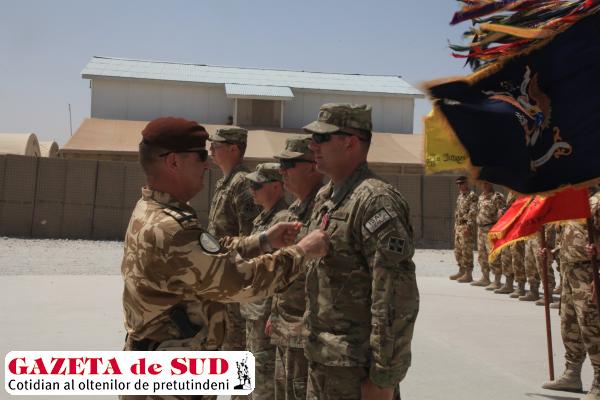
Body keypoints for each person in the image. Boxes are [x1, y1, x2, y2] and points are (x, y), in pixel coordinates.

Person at [120, 117, 329, 400]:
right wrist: (302, 251)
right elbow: (240, 280)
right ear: (173, 162)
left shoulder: (150, 210)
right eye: (200, 156)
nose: (207, 164)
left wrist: (262, 241)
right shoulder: (172, 229)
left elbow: (210, 251)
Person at [303, 103, 419, 400]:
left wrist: (384, 377)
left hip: (355, 369)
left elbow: (394, 295)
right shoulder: (327, 197)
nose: (312, 145)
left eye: (322, 138)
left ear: (351, 142)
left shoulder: (375, 201)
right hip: (323, 359)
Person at [269, 135, 323, 400]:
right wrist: (274, 312)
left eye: (288, 165)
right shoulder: (294, 211)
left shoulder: (323, 211)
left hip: (306, 335)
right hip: (285, 330)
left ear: (312, 166)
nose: (282, 171)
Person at [541, 186, 600, 400]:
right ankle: (572, 374)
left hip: (590, 273)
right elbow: (570, 238)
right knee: (569, 326)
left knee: (592, 328)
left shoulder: (597, 202)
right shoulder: (571, 204)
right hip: (569, 273)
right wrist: (552, 253)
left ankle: (599, 380)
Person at [207, 127, 259, 361]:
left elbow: (250, 236)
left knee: (235, 347)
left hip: (235, 282)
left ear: (234, 149)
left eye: (216, 145)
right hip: (220, 279)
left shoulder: (242, 184)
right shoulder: (224, 183)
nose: (211, 149)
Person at [240, 163, 290, 400]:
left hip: (266, 313)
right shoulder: (263, 219)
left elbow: (287, 271)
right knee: (251, 374)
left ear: (276, 186)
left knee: (264, 380)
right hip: (253, 310)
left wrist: (275, 312)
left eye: (257, 185)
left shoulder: (283, 220)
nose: (252, 189)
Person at [475, 182, 506, 291]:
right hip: (481, 229)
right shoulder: (481, 196)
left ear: (490, 184)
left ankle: (497, 281)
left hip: (491, 229)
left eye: (486, 183)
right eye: (482, 183)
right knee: (482, 255)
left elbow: (502, 212)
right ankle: (485, 277)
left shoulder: (497, 197)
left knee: (493, 255)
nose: (484, 185)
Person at [452, 176, 478, 283]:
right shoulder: (460, 196)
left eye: (462, 183)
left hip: (466, 226)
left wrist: (468, 226)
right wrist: (455, 226)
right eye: (458, 184)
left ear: (467, 183)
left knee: (466, 250)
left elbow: (473, 212)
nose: (460, 186)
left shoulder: (472, 196)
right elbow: (457, 212)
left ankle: (468, 274)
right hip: (459, 226)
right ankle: (461, 271)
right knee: (458, 251)